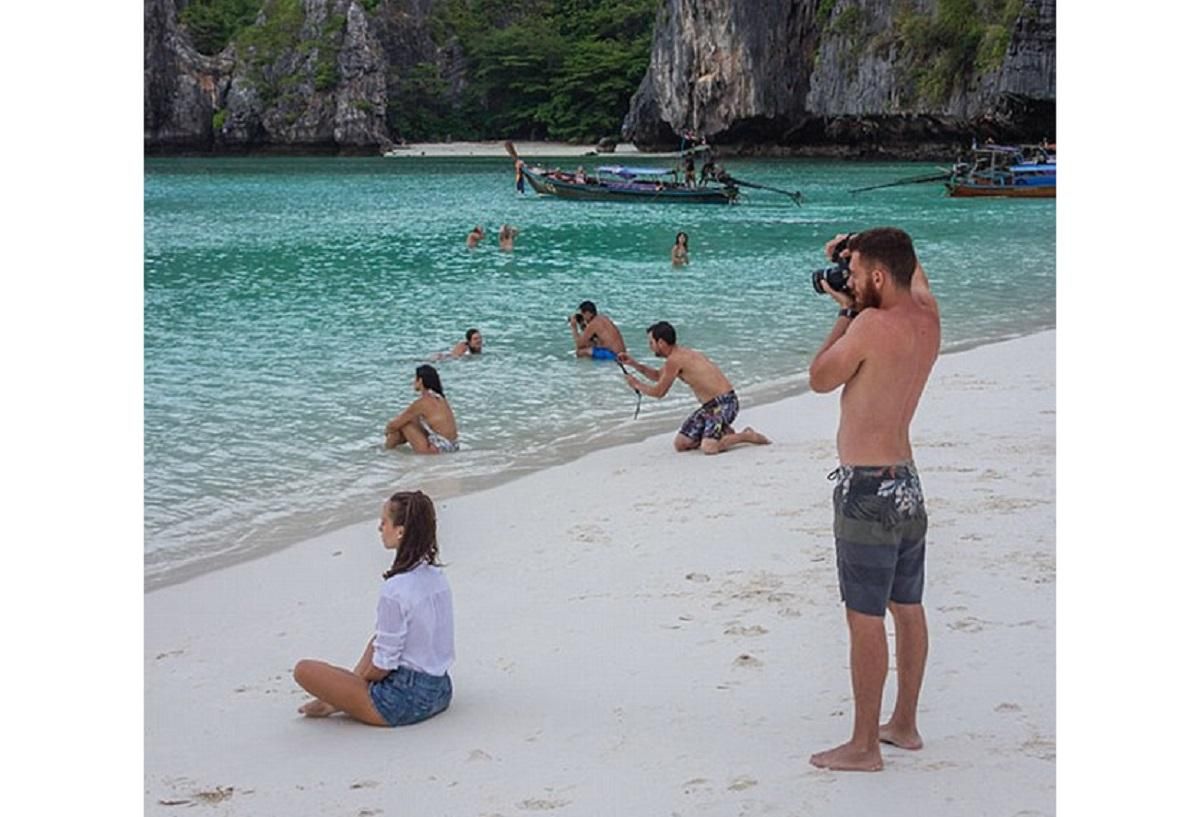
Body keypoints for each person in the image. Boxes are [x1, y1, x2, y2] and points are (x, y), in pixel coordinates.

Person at [806, 227, 941, 772]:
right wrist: (856, 246)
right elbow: (912, 268)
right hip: (907, 483)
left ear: (879, 277)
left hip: (866, 490)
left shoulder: (868, 326)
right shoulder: (927, 315)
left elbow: (819, 377)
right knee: (907, 607)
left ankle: (863, 745)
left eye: (858, 273)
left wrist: (843, 312)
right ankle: (904, 723)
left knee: (865, 617)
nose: (851, 280)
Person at [293, 490, 454, 727]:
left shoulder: (395, 589)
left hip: (404, 701)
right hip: (441, 690)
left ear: (401, 531)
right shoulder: (436, 577)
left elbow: (383, 666)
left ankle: (338, 700)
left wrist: (354, 686)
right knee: (379, 638)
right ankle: (342, 697)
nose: (380, 528)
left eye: (384, 522)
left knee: (304, 670)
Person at [620, 321, 770, 455]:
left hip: (725, 403)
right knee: (681, 444)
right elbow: (659, 376)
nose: (650, 347)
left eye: (651, 343)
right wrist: (634, 364)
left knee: (709, 447)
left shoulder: (675, 360)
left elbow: (659, 392)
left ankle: (746, 435)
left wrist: (637, 385)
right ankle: (721, 432)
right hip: (709, 408)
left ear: (661, 343)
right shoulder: (677, 356)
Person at [384, 365, 460, 454]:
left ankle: (385, 452)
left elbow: (394, 425)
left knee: (405, 424)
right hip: (453, 447)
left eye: (415, 379)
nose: (413, 382)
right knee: (411, 422)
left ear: (420, 381)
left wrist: (387, 431)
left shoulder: (422, 403)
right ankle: (389, 450)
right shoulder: (441, 399)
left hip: (438, 450)